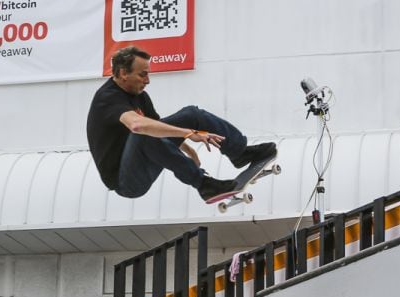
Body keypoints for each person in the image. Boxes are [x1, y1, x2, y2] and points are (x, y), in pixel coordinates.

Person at [86, 46, 277, 202]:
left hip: (143, 157)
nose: (148, 81)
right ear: (122, 73)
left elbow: (157, 127)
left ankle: (240, 153)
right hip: (126, 181)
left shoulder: (140, 96)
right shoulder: (107, 98)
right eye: (142, 75)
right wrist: (188, 134)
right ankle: (204, 185)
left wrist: (188, 148)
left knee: (191, 114)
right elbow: (137, 125)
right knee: (142, 131)